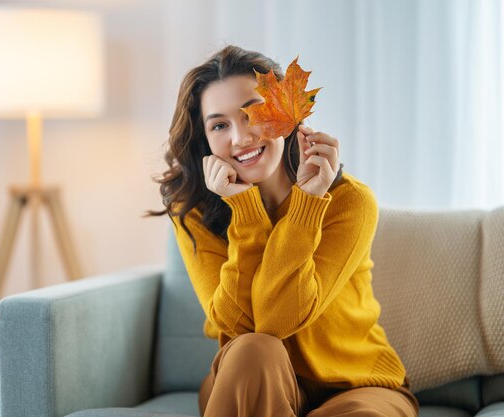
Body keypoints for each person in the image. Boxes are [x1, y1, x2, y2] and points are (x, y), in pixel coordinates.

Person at [147, 45, 419, 417]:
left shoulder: (349, 202)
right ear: (205, 140)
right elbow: (246, 329)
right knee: (254, 348)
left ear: (286, 114)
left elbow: (281, 318)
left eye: (251, 113)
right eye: (219, 125)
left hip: (355, 385)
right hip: (248, 378)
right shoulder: (194, 214)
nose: (240, 138)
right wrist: (244, 209)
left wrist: (308, 201)